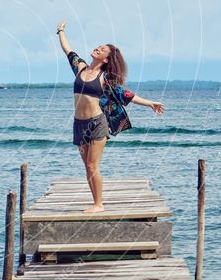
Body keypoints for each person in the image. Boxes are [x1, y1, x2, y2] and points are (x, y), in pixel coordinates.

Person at [56, 21, 165, 213]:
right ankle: (95, 202)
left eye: (102, 49)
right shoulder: (80, 68)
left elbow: (127, 95)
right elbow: (68, 49)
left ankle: (99, 205)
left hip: (97, 123)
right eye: (98, 46)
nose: (97, 48)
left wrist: (150, 103)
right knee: (87, 168)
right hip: (79, 124)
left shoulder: (105, 79)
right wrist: (61, 31)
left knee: (92, 164)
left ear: (106, 59)